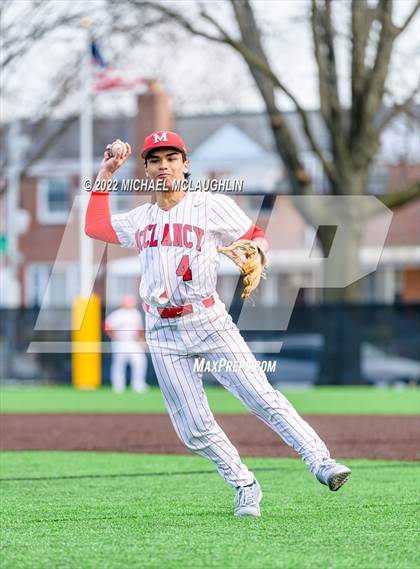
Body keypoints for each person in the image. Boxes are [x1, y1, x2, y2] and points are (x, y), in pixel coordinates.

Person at [85, 130, 351, 517]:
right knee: (193, 426)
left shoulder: (211, 205)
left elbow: (256, 236)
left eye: (172, 158)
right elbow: (94, 227)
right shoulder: (140, 219)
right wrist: (106, 172)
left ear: (185, 165)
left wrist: (257, 252)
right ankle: (244, 484)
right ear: (145, 169)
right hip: (161, 331)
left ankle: (320, 461)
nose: (164, 166)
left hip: (209, 321)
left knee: (260, 397)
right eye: (156, 160)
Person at [104, 294, 148, 394]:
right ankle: (118, 386)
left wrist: (141, 340)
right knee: (119, 364)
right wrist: (114, 336)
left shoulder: (135, 313)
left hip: (133, 342)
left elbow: (138, 330)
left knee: (140, 361)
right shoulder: (118, 314)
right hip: (120, 342)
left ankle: (138, 384)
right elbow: (107, 326)